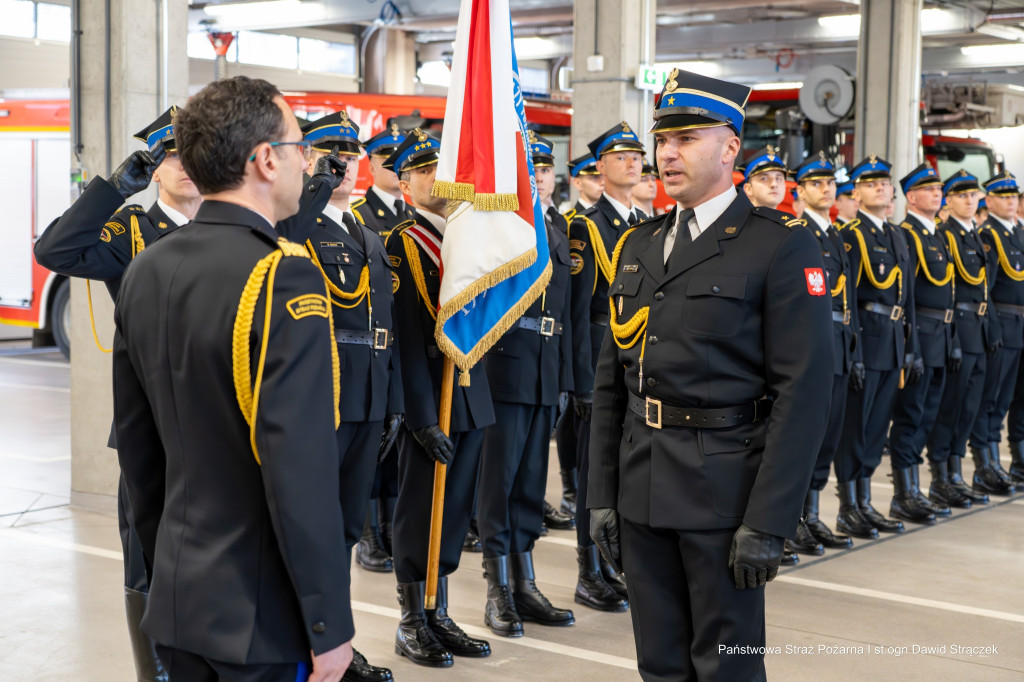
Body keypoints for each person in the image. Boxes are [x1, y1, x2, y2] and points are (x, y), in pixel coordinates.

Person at [588, 68, 833, 681]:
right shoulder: (639, 244)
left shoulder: (778, 244)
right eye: (662, 141)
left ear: (730, 149)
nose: (667, 154)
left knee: (729, 670)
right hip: (642, 489)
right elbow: (611, 384)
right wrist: (600, 495)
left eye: (687, 138)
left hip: (726, 495)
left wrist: (771, 520)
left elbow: (803, 391)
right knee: (661, 665)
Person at [113, 75, 353, 682]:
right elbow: (298, 466)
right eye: (301, 147)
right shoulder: (285, 277)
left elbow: (140, 458)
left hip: (178, 601)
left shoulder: (148, 268)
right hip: (262, 618)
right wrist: (327, 623)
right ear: (267, 160)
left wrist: (171, 570)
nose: (307, 164)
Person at [32, 107, 200, 681]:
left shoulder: (228, 232)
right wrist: (110, 191)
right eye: (170, 156)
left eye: (193, 153)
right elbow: (55, 251)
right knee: (148, 552)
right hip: (149, 420)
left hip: (219, 419)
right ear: (154, 170)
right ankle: (154, 671)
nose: (184, 167)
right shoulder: (131, 232)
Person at [279, 111, 403, 682]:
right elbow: (281, 241)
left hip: (368, 397)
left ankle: (338, 646)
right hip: (326, 396)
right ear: (307, 158)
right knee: (315, 530)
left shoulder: (365, 233)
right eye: (332, 153)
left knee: (348, 529)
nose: (346, 163)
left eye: (351, 155)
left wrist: (394, 400)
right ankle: (308, 645)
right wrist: (318, 184)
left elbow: (386, 326)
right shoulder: (299, 222)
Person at [384, 129, 494, 668]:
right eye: (424, 170)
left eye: (441, 167)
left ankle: (438, 609)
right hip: (430, 400)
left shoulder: (465, 238)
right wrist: (420, 417)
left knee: (454, 510)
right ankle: (411, 620)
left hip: (469, 393)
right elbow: (405, 340)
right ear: (404, 183)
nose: (437, 177)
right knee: (420, 509)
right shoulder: (404, 242)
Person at [475, 134, 577, 638]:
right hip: (506, 368)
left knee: (532, 482)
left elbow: (570, 313)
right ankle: (497, 589)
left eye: (543, 170)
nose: (537, 177)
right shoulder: (498, 225)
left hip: (545, 368)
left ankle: (525, 582)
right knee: (499, 482)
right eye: (528, 170)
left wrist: (567, 380)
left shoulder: (556, 226)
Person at [566, 121, 649, 613]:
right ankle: (587, 571)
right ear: (600, 166)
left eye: (637, 155)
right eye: (621, 156)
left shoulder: (646, 222)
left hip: (638, 358)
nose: (633, 162)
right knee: (594, 471)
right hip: (601, 351)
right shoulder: (587, 225)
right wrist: (579, 381)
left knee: (628, 468)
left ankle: (618, 565)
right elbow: (579, 312)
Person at [788, 153, 857, 556]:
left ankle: (812, 515)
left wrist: (854, 352)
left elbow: (846, 297)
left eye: (829, 183)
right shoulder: (800, 233)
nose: (826, 189)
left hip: (839, 344)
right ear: (801, 191)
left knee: (828, 437)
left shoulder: (834, 233)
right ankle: (792, 519)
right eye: (816, 183)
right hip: (813, 345)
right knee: (805, 437)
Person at [886, 163, 957, 524]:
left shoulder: (937, 235)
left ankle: (917, 487)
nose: (937, 194)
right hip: (921, 336)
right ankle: (904, 493)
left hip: (941, 337)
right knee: (911, 415)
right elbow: (906, 296)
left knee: (929, 413)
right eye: (929, 190)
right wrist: (909, 345)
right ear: (911, 197)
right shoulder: (908, 235)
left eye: (938, 189)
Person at [926, 170, 994, 508]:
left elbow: (986, 286)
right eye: (962, 196)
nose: (970, 201)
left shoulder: (975, 236)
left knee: (970, 406)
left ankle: (956, 471)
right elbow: (948, 292)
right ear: (948, 201)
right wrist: (951, 335)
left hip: (978, 328)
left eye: (973, 196)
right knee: (950, 407)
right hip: (960, 327)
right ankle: (941, 475)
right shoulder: (947, 235)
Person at [967, 171, 1022, 495]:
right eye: (1003, 197)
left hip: (1021, 326)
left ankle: (1017, 459)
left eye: (1014, 196)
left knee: (1017, 399)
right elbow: (983, 288)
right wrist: (994, 328)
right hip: (1001, 323)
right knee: (992, 400)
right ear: (989, 201)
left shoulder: (1018, 232)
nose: (1011, 201)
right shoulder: (989, 235)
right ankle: (985, 465)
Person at [352, 122, 417, 240]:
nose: (397, 167)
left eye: (402, 161)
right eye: (388, 162)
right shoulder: (357, 215)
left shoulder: (415, 213)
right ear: (372, 168)